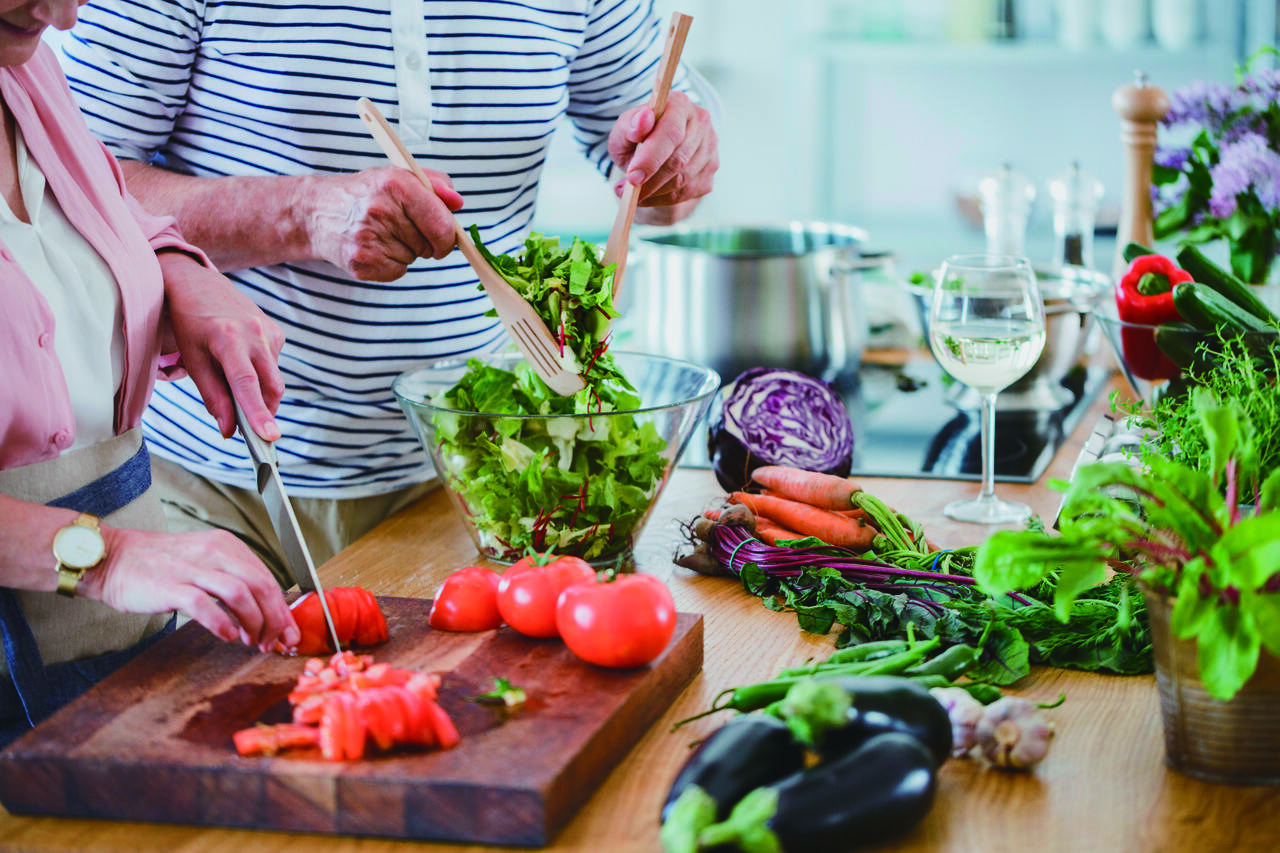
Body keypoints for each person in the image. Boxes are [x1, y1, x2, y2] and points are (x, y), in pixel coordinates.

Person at [52, 0, 719, 585]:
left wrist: (676, 163)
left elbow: (656, 180)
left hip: (469, 484)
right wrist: (301, 214)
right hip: (217, 482)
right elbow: (61, 181)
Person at [0, 0, 298, 746]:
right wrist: (108, 557)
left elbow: (98, 211)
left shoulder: (26, 69)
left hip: (114, 650)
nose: (64, 15)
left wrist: (175, 270)